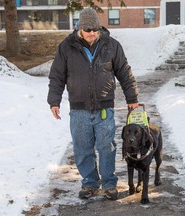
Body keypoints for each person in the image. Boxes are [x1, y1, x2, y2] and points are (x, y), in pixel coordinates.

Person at [47, 8, 139, 200]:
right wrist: (54, 101)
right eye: (88, 29)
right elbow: (57, 76)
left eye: (95, 29)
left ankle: (109, 184)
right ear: (80, 28)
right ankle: (90, 183)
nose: (92, 33)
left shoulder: (111, 45)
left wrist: (132, 98)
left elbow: (124, 72)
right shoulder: (67, 47)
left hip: (104, 108)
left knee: (107, 146)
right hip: (78, 109)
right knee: (82, 148)